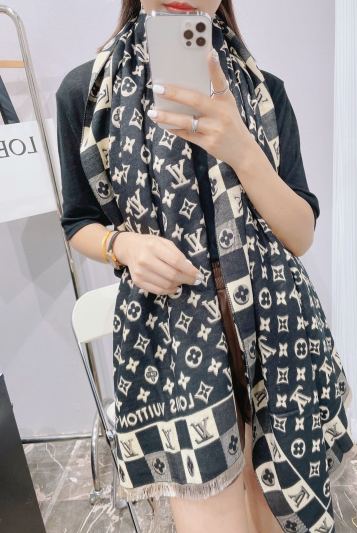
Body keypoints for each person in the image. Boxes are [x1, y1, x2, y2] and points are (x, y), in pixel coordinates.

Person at [56, 2, 325, 532]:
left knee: (280, 516)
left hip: (277, 336)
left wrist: (241, 147)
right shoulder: (86, 95)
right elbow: (79, 221)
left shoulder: (265, 92)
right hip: (174, 345)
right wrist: (125, 248)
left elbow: (300, 235)